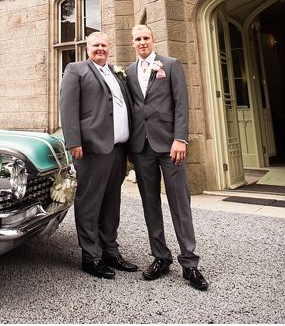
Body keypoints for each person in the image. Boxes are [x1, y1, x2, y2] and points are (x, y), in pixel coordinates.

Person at [124, 24, 209, 291]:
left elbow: (181, 103)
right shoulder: (127, 72)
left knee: (179, 202)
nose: (141, 42)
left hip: (170, 145)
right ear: (133, 43)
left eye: (145, 38)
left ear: (153, 39)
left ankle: (190, 263)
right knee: (150, 204)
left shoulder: (170, 65)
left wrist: (180, 138)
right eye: (137, 39)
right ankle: (160, 257)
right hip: (141, 147)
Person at [60, 32, 138, 279]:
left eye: (104, 45)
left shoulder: (116, 73)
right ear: (87, 48)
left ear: (109, 47)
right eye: (96, 45)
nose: (100, 49)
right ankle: (91, 257)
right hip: (92, 149)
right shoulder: (76, 70)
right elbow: (68, 107)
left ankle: (110, 252)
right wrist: (74, 141)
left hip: (118, 149)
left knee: (112, 203)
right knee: (90, 203)